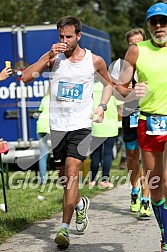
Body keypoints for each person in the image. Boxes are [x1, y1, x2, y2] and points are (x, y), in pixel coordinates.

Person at [22, 16, 114, 248]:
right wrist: (47, 56)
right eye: (61, 36)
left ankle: (64, 229)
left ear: (79, 36)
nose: (64, 40)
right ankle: (80, 204)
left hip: (82, 125)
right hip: (57, 127)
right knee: (65, 179)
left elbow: (109, 84)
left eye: (69, 36)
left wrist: (102, 106)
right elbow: (25, 78)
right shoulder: (54, 58)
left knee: (72, 172)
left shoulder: (94, 60)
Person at [115, 3, 167, 251]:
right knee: (155, 186)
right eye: (154, 22)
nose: (159, 26)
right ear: (148, 26)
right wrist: (131, 92)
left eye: (163, 21)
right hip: (149, 122)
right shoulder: (136, 51)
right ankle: (165, 233)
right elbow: (120, 89)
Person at [111, 28, 151, 218]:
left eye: (139, 43)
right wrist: (133, 93)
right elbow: (117, 90)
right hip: (130, 111)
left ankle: (145, 199)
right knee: (133, 156)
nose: (136, 46)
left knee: (148, 157)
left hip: (149, 110)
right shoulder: (123, 66)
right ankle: (134, 190)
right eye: (132, 43)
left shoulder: (152, 62)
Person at [89, 81, 121, 188]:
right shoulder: (112, 88)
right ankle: (105, 180)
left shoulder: (92, 87)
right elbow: (120, 107)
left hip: (96, 125)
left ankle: (92, 180)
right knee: (107, 153)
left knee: (95, 155)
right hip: (110, 126)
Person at [36, 87, 50, 185]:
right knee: (60, 153)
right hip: (52, 125)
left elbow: (41, 110)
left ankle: (43, 180)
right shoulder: (57, 99)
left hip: (41, 125)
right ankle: (63, 179)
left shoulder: (45, 98)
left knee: (43, 154)